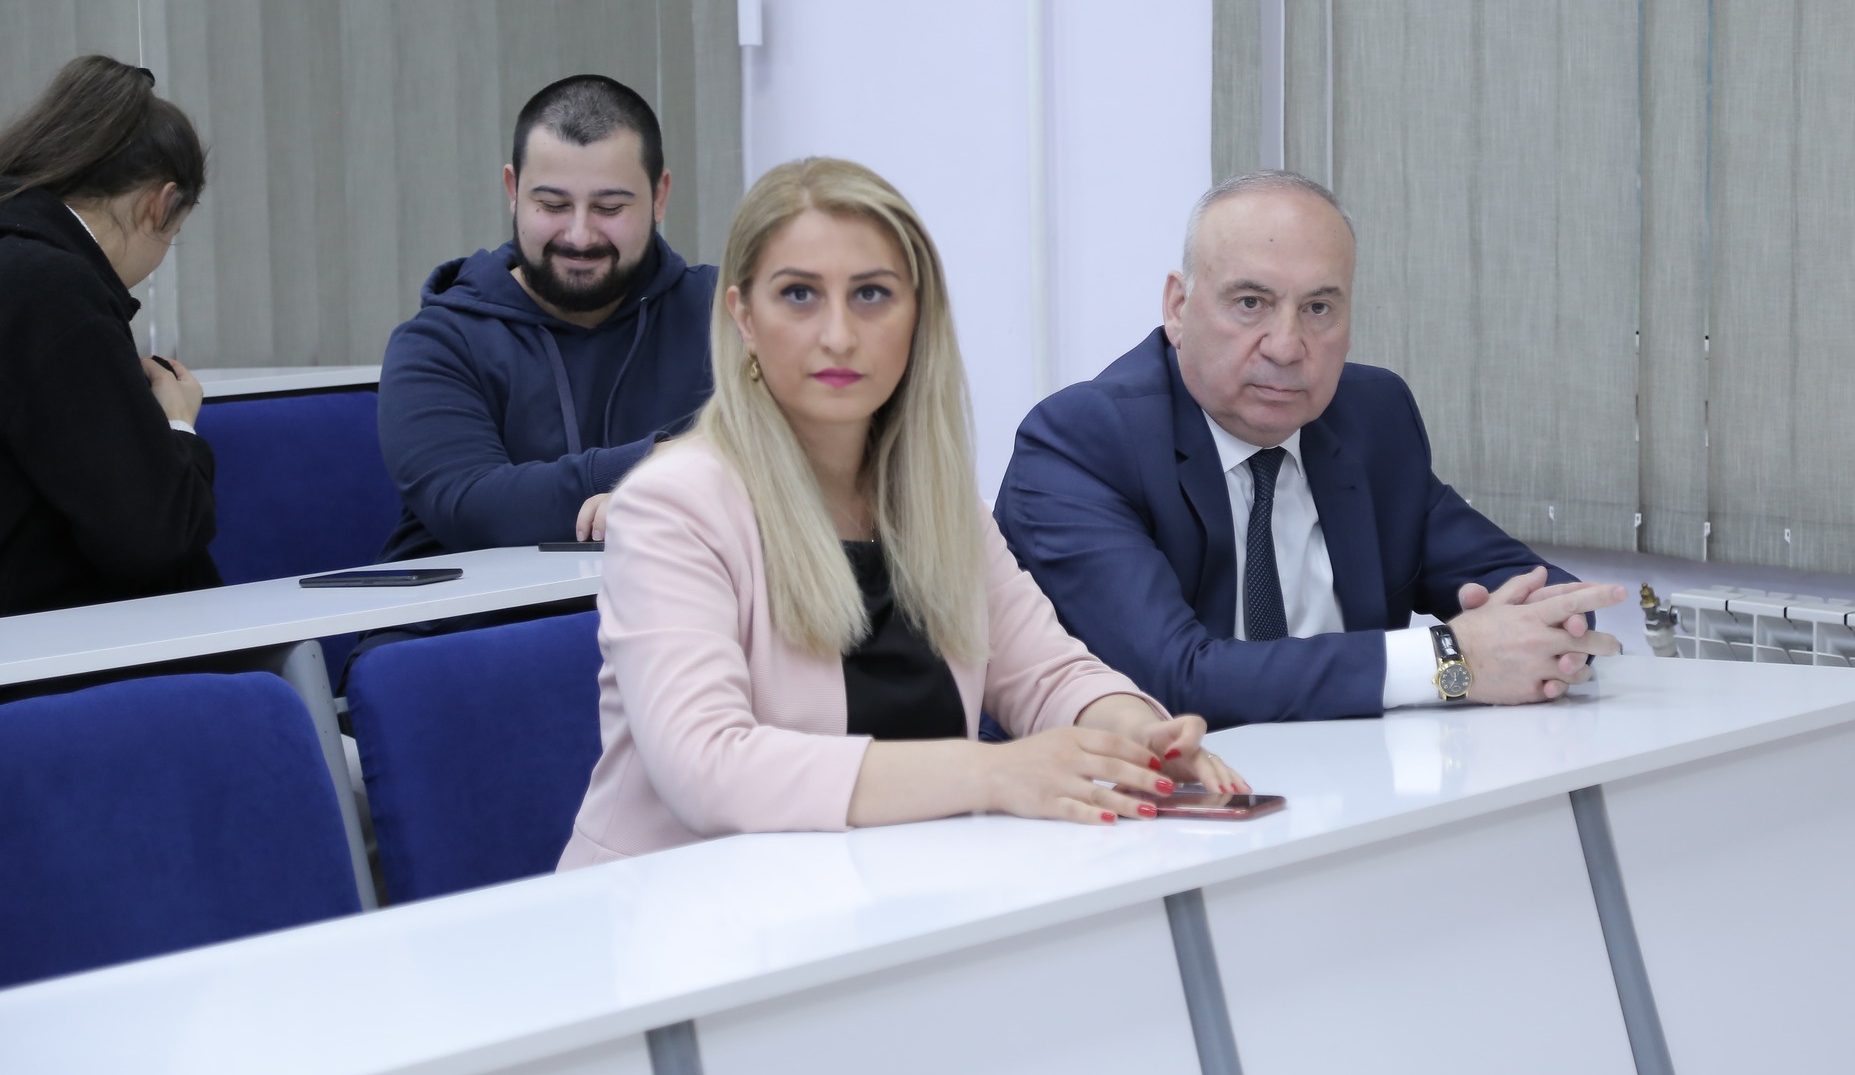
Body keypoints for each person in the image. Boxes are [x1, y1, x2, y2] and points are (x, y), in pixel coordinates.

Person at [560, 158, 1242, 866]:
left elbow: (1045, 672)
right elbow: (709, 767)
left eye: (871, 294)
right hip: (677, 911)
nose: (838, 334)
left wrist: (1137, 737)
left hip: (890, 895)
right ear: (744, 318)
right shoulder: (672, 504)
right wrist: (991, 772)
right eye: (798, 294)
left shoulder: (936, 500)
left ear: (917, 316)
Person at [994, 170, 1625, 730]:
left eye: (1319, 308)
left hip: (1350, 788)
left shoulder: (1371, 415)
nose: (1287, 346)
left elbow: (1527, 585)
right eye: (1251, 303)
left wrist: (1549, 628)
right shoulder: (1083, 441)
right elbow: (1171, 681)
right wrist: (1449, 661)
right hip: (1131, 803)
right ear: (1179, 309)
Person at [377, 75, 717, 562]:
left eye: (609, 207)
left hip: (688, 594)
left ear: (660, 196)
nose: (579, 235)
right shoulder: (438, 343)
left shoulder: (728, 316)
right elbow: (472, 507)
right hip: (484, 608)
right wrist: (657, 463)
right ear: (513, 190)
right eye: (552, 205)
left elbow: (799, 459)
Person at [0, 55, 217, 616]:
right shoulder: (53, 291)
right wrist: (178, 424)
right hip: (56, 641)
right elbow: (152, 537)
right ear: (160, 204)